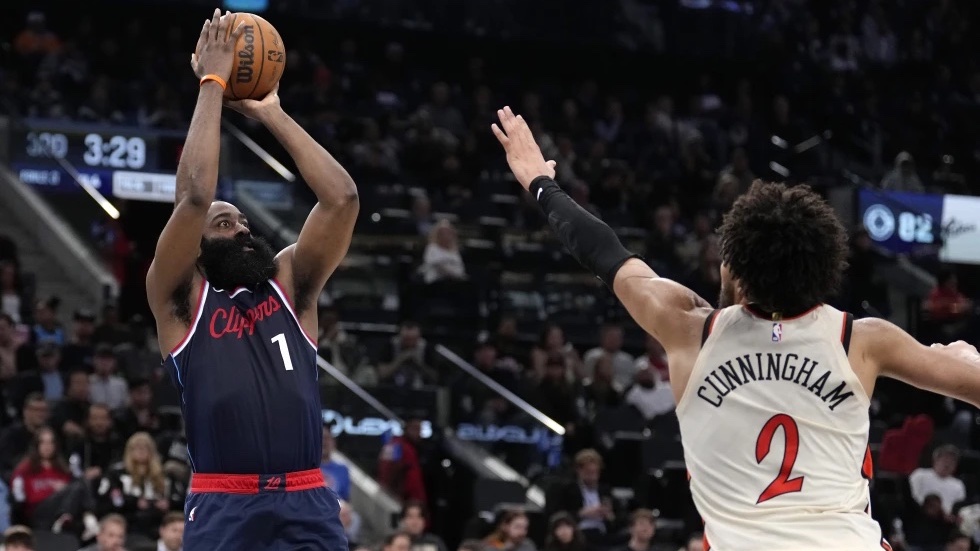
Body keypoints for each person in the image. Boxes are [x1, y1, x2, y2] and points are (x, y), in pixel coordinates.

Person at [491, 105, 980, 550]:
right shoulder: (861, 339)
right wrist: (964, 361)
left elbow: (604, 252)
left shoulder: (688, 330)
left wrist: (541, 183)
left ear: (737, 271)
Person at [144, 10, 358, 551]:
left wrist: (272, 113)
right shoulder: (180, 298)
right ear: (197, 245)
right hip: (224, 502)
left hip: (306, 498)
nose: (241, 228)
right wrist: (212, 84)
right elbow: (194, 197)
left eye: (242, 221)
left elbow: (342, 199)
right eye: (224, 224)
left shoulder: (290, 283)